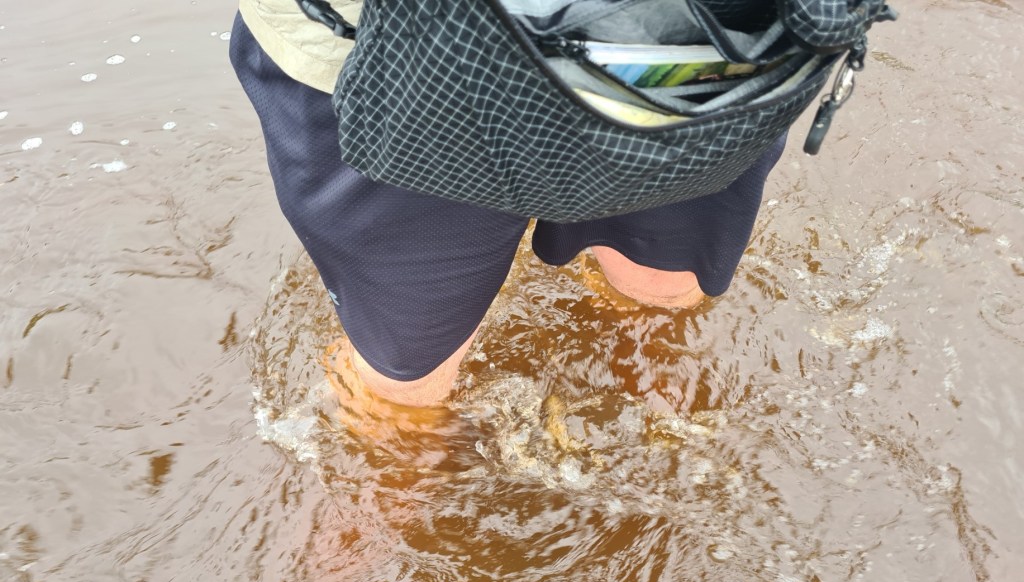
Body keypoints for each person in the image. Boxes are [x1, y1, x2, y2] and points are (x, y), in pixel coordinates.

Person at [229, 0, 786, 407]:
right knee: (408, 370)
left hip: (700, 39)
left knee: (661, 287)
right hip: (395, 56)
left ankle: (631, 363)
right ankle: (388, 466)